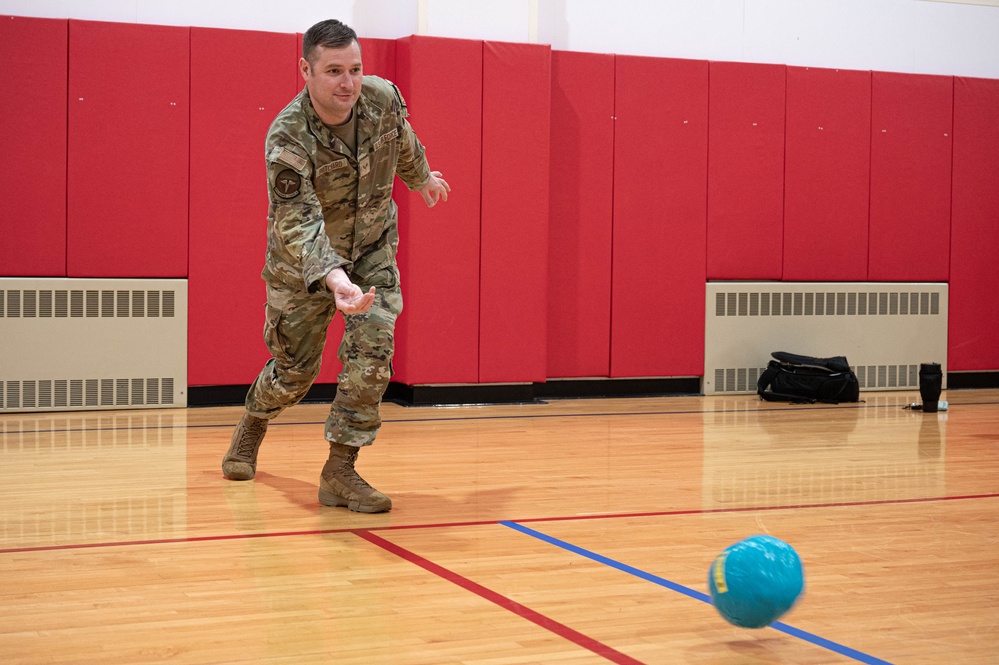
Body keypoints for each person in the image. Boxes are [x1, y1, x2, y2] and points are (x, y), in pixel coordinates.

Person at [222, 19, 450, 513]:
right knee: (293, 375)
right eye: (333, 72)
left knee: (373, 349)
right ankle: (255, 420)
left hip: (371, 251)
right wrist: (334, 278)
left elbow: (403, 142)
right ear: (305, 70)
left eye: (354, 69)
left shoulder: (382, 98)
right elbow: (297, 222)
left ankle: (340, 470)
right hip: (302, 266)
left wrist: (422, 178)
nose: (347, 83)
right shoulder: (287, 136)